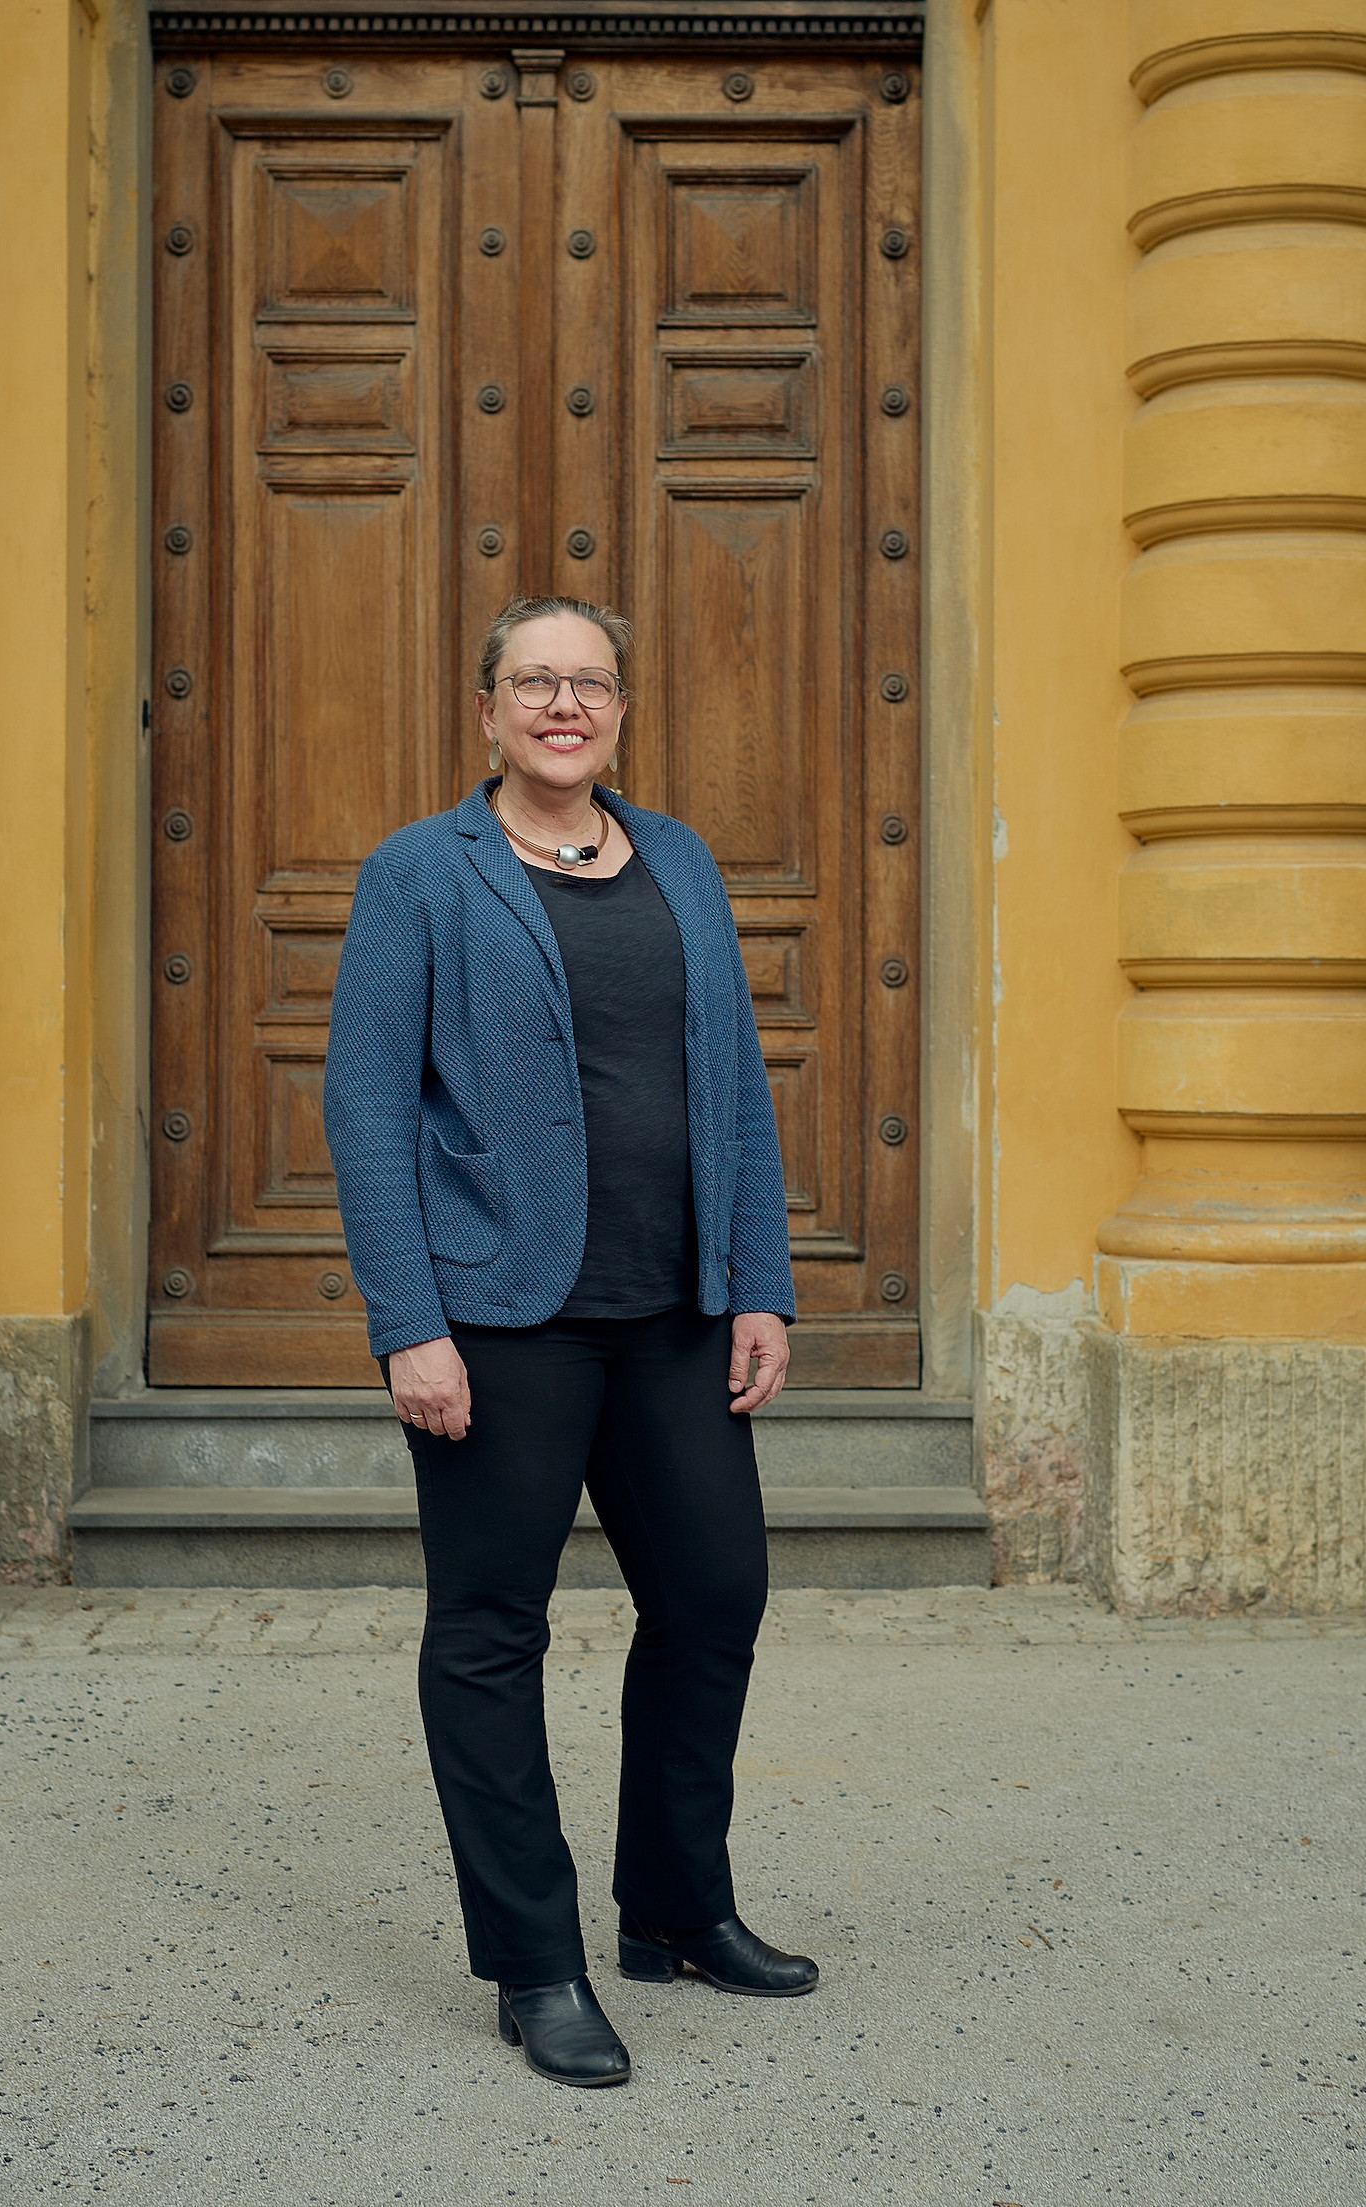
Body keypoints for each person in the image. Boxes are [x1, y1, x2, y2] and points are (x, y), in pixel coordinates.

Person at [322, 593, 818, 2091]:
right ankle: (533, 1961)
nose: (561, 706)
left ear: (617, 710)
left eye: (587, 683)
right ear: (485, 709)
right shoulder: (421, 873)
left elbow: (731, 1083)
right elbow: (363, 1109)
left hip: (673, 1310)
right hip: (500, 1317)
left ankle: (672, 1910)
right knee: (490, 1637)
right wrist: (410, 1326)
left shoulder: (675, 858)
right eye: (532, 682)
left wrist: (759, 1284)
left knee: (715, 1598)